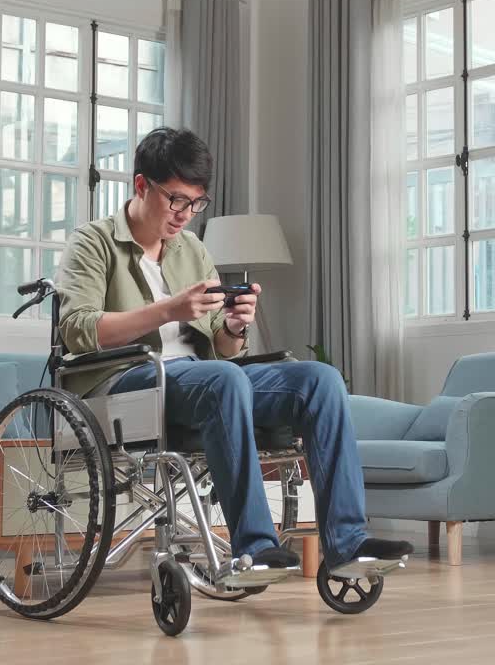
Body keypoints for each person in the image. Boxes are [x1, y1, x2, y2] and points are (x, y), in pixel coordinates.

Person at [56, 127, 413, 571]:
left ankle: (347, 542)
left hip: (201, 381)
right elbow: (77, 330)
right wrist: (167, 310)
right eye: (176, 200)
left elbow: (222, 353)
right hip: (125, 384)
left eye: (196, 203)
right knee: (221, 380)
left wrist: (234, 326)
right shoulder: (93, 242)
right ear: (141, 186)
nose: (186, 214)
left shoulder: (191, 250)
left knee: (320, 379)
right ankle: (255, 545)